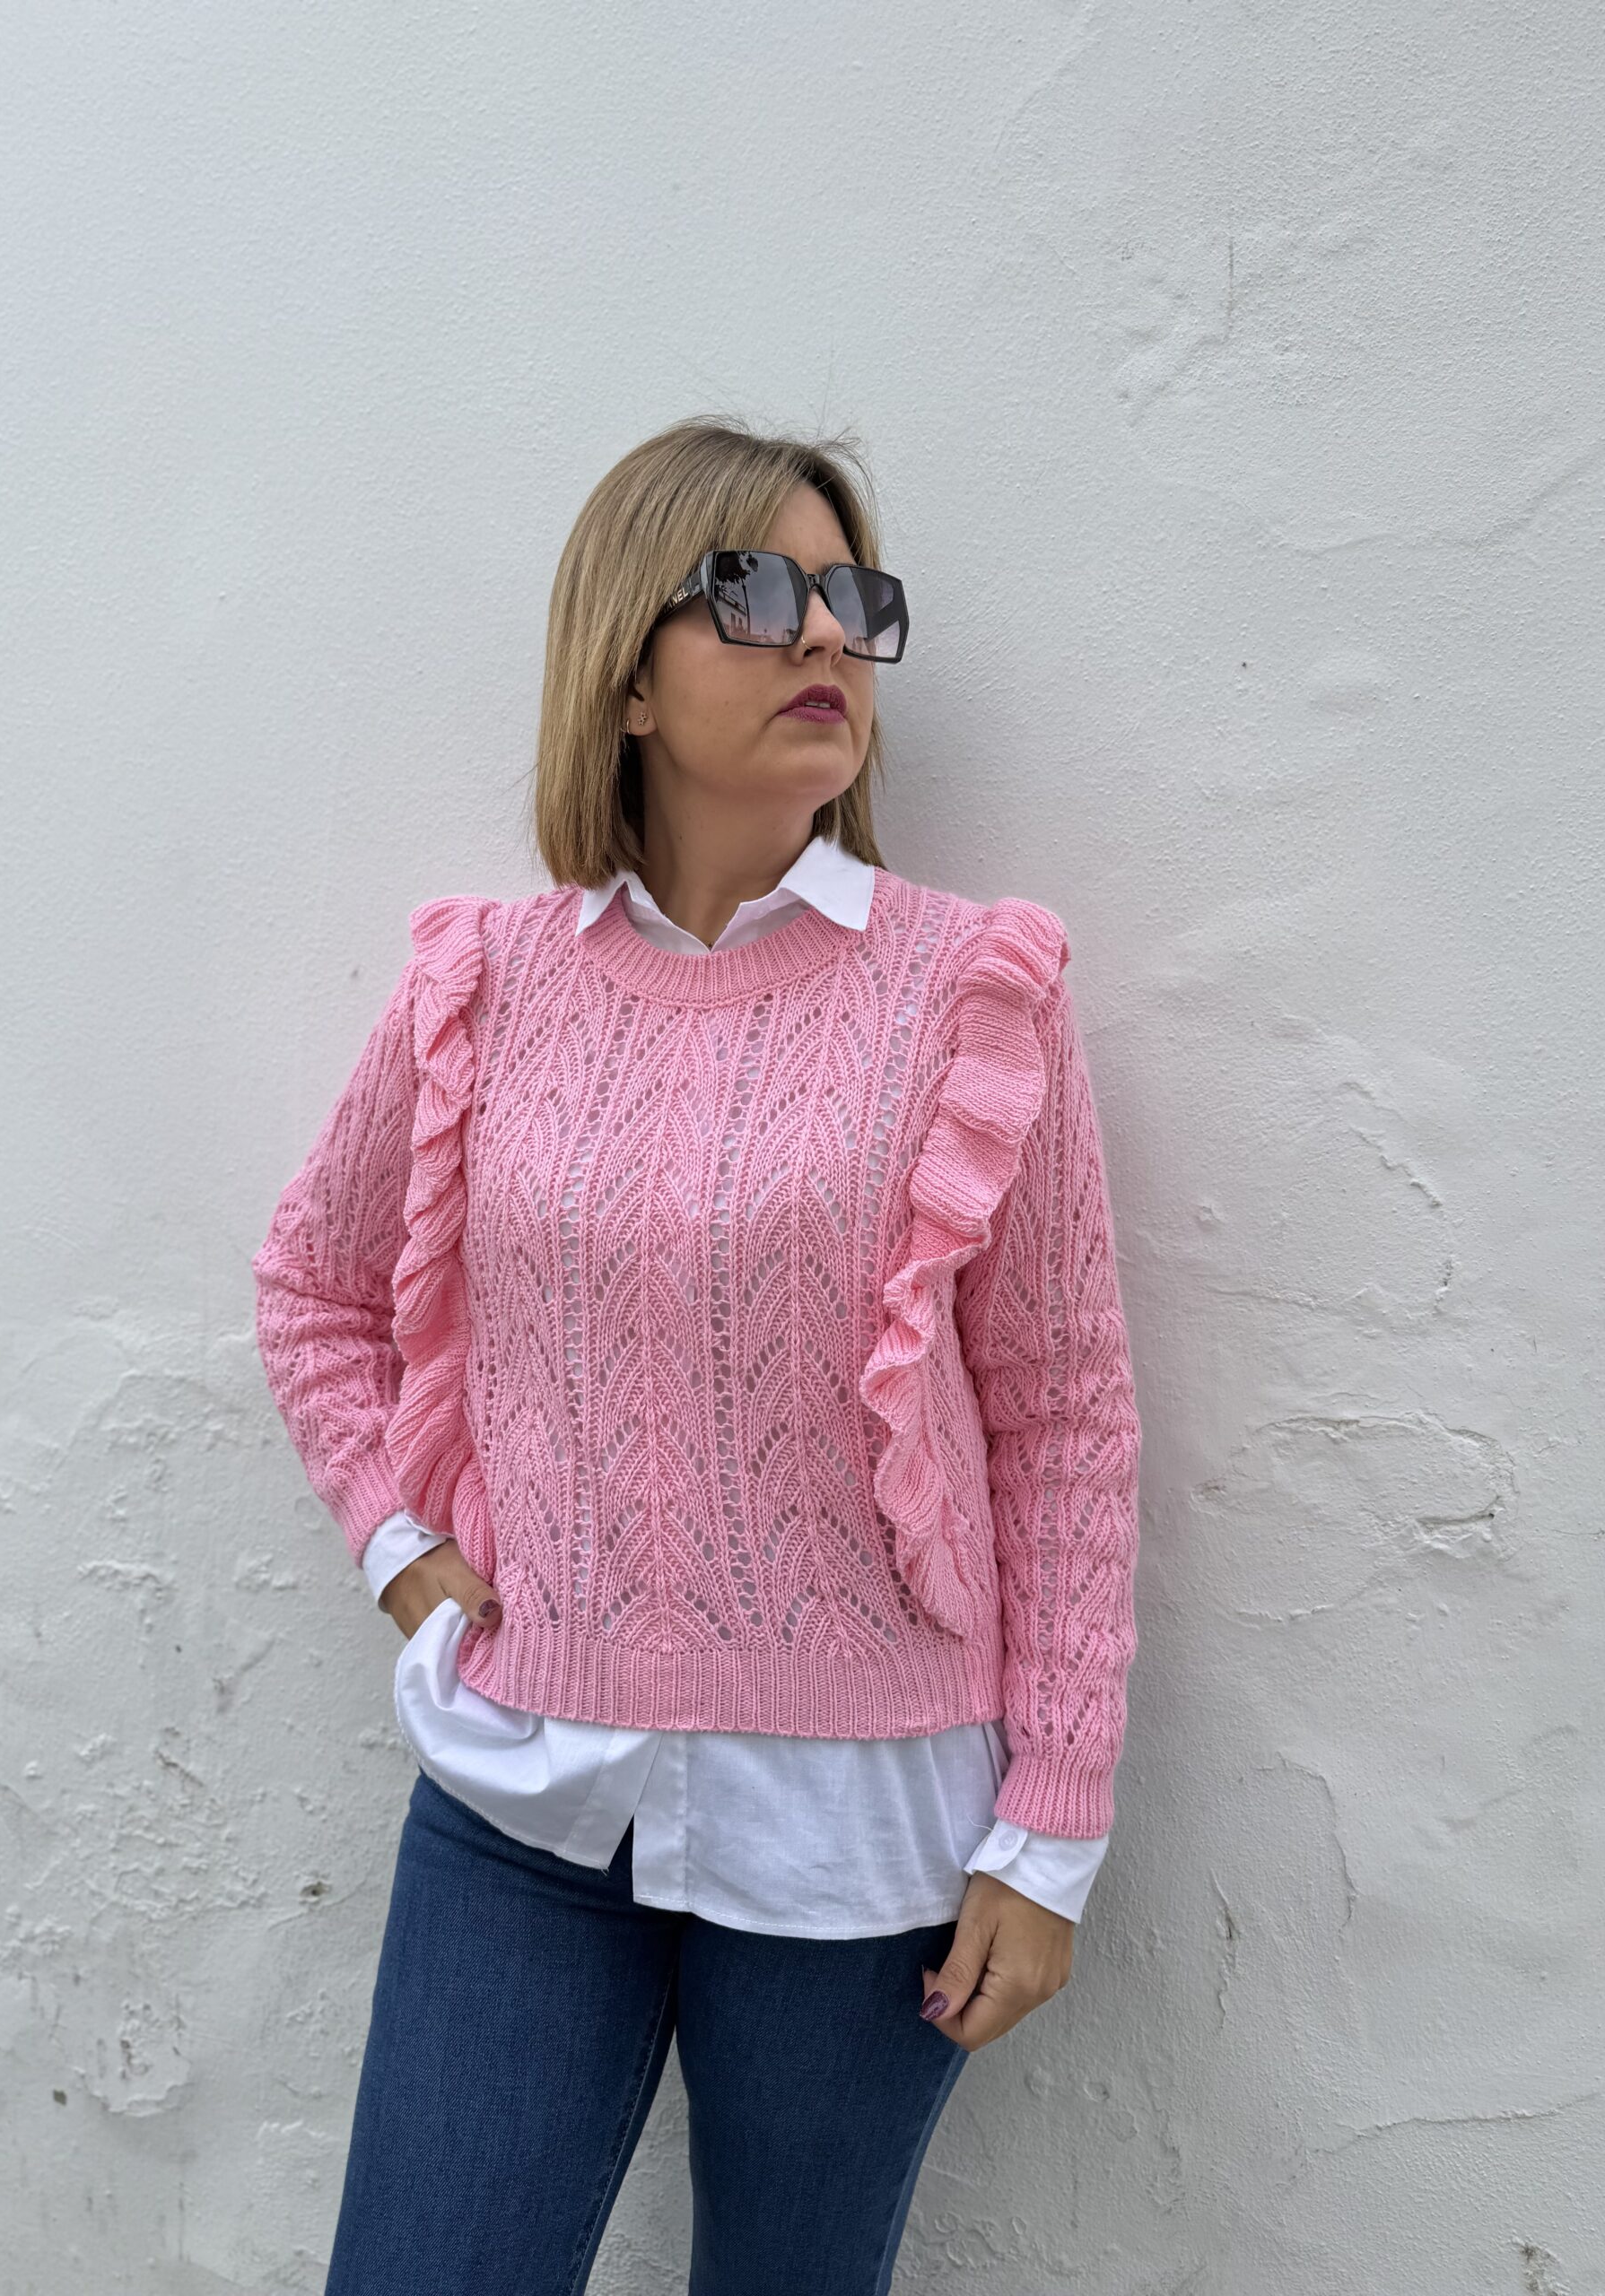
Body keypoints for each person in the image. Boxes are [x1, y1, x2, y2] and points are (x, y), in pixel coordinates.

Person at [251, 414, 1144, 2296]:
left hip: (866, 1829)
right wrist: (400, 1545)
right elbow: (314, 1284)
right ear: (627, 673)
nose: (822, 634)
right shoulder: (483, 983)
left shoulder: (971, 990)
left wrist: (1051, 1825)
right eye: (752, 589)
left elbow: (1061, 1414)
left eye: (852, 600)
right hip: (522, 1788)